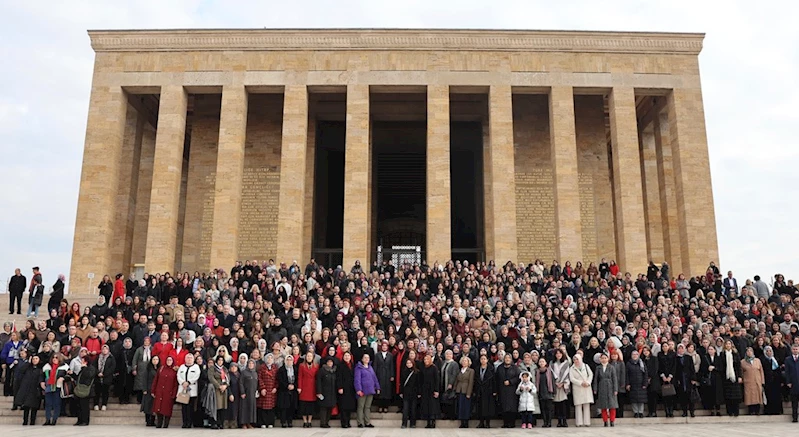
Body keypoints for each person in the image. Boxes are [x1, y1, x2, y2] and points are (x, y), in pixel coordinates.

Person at [354, 352, 380, 428]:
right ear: (362, 359)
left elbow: (374, 378)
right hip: (362, 391)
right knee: (360, 406)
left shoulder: (370, 367)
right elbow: (357, 380)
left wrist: (377, 387)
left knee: (367, 407)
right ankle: (360, 422)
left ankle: (367, 422)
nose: (366, 359)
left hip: (370, 390)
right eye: (365, 358)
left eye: (368, 358)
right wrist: (358, 389)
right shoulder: (358, 368)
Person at [151, 354, 177, 428]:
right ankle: (159, 423)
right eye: (168, 360)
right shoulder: (161, 368)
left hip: (168, 392)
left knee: (167, 409)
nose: (169, 361)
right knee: (158, 407)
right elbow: (156, 380)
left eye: (170, 360)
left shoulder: (174, 370)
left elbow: (175, 384)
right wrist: (153, 390)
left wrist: (174, 393)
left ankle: (166, 424)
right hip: (159, 391)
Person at [41, 355, 69, 426]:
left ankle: (54, 419)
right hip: (48, 387)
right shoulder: (47, 366)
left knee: (57, 404)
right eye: (53, 357)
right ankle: (47, 419)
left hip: (58, 387)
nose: (54, 359)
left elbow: (69, 376)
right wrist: (41, 382)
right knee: (48, 404)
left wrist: (63, 378)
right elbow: (42, 375)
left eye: (56, 357)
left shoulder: (64, 367)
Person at [593, 352, 618, 427]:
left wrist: (615, 389)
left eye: (605, 358)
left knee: (612, 406)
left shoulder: (611, 367)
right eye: (602, 358)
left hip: (610, 387)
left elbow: (614, 379)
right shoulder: (598, 368)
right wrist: (595, 389)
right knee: (603, 406)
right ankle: (605, 421)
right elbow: (596, 379)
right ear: (600, 359)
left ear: (608, 359)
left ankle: (612, 421)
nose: (604, 360)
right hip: (602, 387)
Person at [719, 339, 743, 417]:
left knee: (735, 396)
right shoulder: (722, 354)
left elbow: (739, 366)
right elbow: (722, 366)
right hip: (726, 377)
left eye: (729, 344)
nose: (728, 345)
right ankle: (729, 411)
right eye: (727, 344)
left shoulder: (735, 354)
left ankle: (736, 411)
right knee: (728, 396)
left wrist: (740, 376)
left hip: (735, 376)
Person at [177, 353, 201, 428]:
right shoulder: (182, 367)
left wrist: (189, 382)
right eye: (188, 358)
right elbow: (178, 376)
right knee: (184, 407)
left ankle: (189, 422)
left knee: (190, 407)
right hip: (183, 389)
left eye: (191, 358)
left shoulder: (196, 367)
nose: (189, 359)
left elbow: (196, 375)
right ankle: (185, 422)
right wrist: (183, 382)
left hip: (191, 389)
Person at [569, 353, 594, 427]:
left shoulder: (586, 366)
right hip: (578, 388)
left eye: (577, 359)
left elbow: (590, 374)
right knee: (578, 405)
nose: (576, 361)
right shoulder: (572, 368)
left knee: (586, 405)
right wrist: (580, 383)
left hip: (586, 387)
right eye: (574, 359)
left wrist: (588, 382)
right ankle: (579, 422)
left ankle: (587, 422)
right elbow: (572, 378)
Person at [496, 352, 519, 428]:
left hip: (512, 390)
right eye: (506, 358)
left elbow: (518, 378)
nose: (507, 359)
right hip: (502, 390)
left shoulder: (515, 368)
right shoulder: (500, 367)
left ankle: (512, 423)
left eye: (509, 358)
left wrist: (510, 382)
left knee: (512, 407)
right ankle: (505, 423)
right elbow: (497, 379)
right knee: (504, 407)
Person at [18, 354, 43, 425]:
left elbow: (41, 378)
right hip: (27, 389)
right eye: (33, 359)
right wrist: (28, 362)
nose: (34, 360)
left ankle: (32, 421)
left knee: (34, 407)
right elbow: (21, 370)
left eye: (36, 359)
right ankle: (25, 421)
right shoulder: (28, 368)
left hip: (35, 389)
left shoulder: (40, 369)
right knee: (26, 406)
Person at [207, 355, 230, 429]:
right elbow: (211, 378)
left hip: (223, 390)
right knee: (216, 406)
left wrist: (225, 386)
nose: (220, 361)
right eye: (219, 360)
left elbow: (228, 378)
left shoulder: (225, 369)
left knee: (222, 407)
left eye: (222, 360)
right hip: (216, 389)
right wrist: (219, 386)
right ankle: (215, 422)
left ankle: (221, 423)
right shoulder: (212, 368)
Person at [741, 347, 765, 415]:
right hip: (748, 381)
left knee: (758, 396)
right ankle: (751, 410)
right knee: (749, 396)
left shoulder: (757, 360)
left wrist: (762, 381)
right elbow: (741, 372)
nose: (749, 352)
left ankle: (757, 410)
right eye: (748, 351)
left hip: (757, 380)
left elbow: (761, 371)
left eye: (751, 351)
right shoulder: (742, 362)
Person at [297, 350, 318, 428]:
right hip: (304, 386)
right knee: (303, 405)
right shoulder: (301, 366)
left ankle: (309, 421)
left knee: (311, 405)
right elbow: (300, 377)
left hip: (312, 387)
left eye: (310, 356)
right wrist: (299, 387)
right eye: (308, 356)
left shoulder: (316, 366)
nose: (309, 357)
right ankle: (305, 421)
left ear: (313, 357)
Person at [74, 355, 97, 426]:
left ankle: (85, 421)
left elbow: (89, 375)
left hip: (86, 389)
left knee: (85, 407)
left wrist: (84, 368)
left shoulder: (91, 368)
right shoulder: (82, 369)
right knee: (79, 406)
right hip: (79, 389)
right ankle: (79, 420)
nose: (81, 362)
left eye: (83, 360)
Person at [257, 354, 279, 428]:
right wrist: (262, 388)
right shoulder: (262, 367)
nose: (269, 359)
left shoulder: (275, 367)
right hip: (265, 389)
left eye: (271, 358)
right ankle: (263, 422)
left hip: (272, 389)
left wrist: (275, 387)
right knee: (263, 407)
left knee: (271, 407)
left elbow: (277, 379)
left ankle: (270, 422)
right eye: (268, 358)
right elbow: (259, 378)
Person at [336, 350, 357, 428]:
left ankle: (348, 422)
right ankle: (344, 422)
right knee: (343, 406)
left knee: (349, 407)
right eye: (345, 356)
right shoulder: (340, 365)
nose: (347, 357)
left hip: (351, 388)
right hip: (343, 388)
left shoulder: (352, 365)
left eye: (348, 356)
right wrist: (340, 387)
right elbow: (338, 377)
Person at [316, 356, 338, 428]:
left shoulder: (334, 371)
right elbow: (318, 381)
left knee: (330, 408)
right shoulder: (322, 370)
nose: (330, 363)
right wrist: (319, 392)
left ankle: (327, 422)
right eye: (328, 362)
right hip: (324, 392)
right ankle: (323, 422)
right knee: (323, 408)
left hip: (332, 392)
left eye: (331, 362)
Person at [277, 355, 298, 428]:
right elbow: (280, 380)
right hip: (284, 390)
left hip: (293, 390)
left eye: (290, 360)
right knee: (284, 407)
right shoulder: (281, 369)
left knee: (291, 407)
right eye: (287, 360)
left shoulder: (295, 368)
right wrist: (287, 386)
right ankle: (283, 422)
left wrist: (294, 386)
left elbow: (298, 379)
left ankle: (290, 421)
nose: (289, 361)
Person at [373, 341, 395, 413]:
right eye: (383, 346)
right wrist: (374, 375)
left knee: (387, 391)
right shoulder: (377, 355)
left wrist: (392, 375)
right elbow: (375, 365)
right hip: (379, 374)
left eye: (386, 346)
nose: (384, 347)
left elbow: (392, 366)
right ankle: (380, 406)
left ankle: (386, 406)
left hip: (388, 374)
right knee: (380, 391)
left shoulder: (390, 355)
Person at [399, 357, 421, 428]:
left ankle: (413, 423)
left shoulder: (416, 372)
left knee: (413, 409)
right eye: (407, 363)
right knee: (405, 409)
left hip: (414, 393)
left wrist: (419, 393)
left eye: (410, 363)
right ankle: (404, 423)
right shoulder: (404, 372)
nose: (408, 364)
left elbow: (418, 383)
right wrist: (401, 392)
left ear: (413, 364)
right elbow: (402, 383)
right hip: (406, 393)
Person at [761, 346, 783, 415]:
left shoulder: (775, 359)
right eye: (767, 351)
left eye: (770, 351)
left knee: (776, 396)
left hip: (776, 381)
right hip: (768, 381)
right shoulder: (762, 360)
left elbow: (779, 370)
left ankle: (777, 410)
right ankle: (769, 411)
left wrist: (781, 380)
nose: (768, 352)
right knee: (769, 396)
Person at [551, 349, 570, 427]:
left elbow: (567, 374)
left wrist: (562, 383)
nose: (558, 355)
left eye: (560, 353)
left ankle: (564, 421)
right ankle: (559, 421)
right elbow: (551, 375)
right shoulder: (552, 364)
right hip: (556, 385)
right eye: (557, 353)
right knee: (557, 405)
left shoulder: (566, 363)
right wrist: (556, 383)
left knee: (563, 404)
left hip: (563, 386)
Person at [625, 350, 647, 418]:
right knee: (633, 399)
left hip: (641, 383)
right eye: (633, 354)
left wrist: (645, 383)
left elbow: (645, 374)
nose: (635, 356)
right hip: (632, 383)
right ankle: (635, 412)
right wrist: (627, 384)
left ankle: (640, 412)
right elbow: (627, 374)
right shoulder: (628, 364)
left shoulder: (642, 363)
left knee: (641, 399)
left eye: (636, 354)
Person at [94, 344, 116, 411]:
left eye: (106, 349)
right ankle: (96, 404)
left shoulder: (111, 358)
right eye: (103, 349)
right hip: (97, 378)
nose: (104, 350)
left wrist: (104, 374)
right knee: (97, 392)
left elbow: (112, 368)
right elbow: (94, 366)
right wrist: (98, 373)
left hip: (107, 378)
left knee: (105, 392)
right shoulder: (97, 357)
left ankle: (104, 404)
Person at [454, 356, 475, 428]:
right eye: (463, 361)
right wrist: (455, 389)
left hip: (466, 390)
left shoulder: (471, 371)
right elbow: (457, 380)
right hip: (459, 390)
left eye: (465, 361)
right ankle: (462, 421)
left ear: (468, 362)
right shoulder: (460, 370)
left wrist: (469, 393)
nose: (464, 362)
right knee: (461, 407)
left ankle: (466, 422)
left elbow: (471, 382)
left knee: (466, 407)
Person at [140, 355, 159, 427]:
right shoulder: (148, 369)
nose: (155, 361)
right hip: (148, 389)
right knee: (147, 405)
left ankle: (153, 420)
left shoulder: (159, 369)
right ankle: (148, 421)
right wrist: (144, 389)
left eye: (156, 359)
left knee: (153, 406)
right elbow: (144, 379)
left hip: (156, 390)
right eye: (154, 359)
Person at [239, 358, 258, 428]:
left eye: (252, 363)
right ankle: (244, 423)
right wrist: (242, 392)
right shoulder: (244, 372)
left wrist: (257, 391)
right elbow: (241, 382)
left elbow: (256, 383)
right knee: (244, 408)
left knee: (251, 408)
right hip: (246, 393)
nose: (251, 365)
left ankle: (249, 423)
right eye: (249, 363)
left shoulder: (255, 373)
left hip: (253, 393)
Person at [785, 344, 799, 422]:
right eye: (794, 349)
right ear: (791, 350)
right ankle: (794, 418)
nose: (795, 351)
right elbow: (787, 372)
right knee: (794, 403)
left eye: (796, 349)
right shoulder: (788, 359)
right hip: (793, 384)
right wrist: (788, 382)